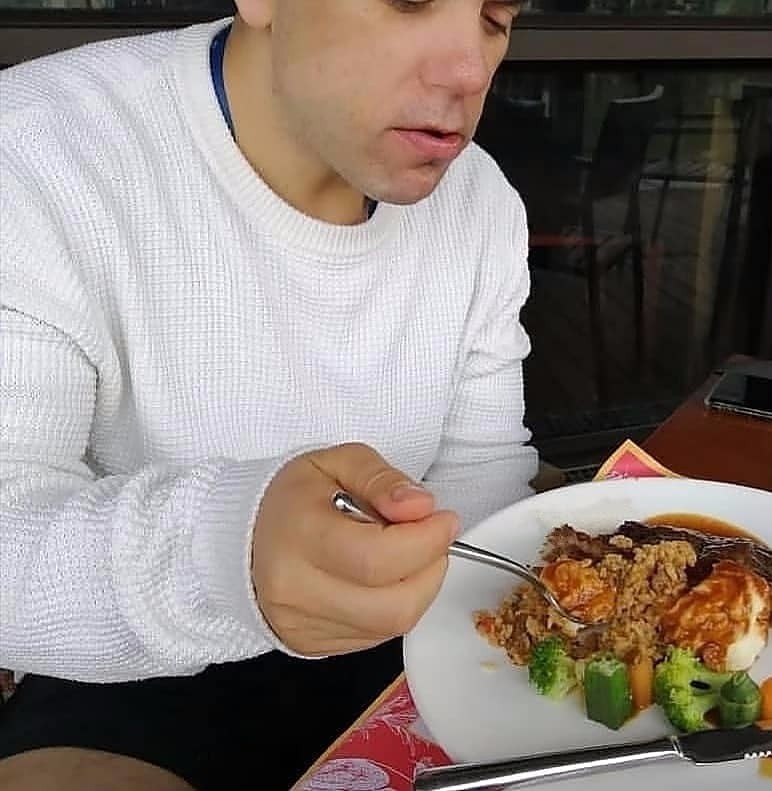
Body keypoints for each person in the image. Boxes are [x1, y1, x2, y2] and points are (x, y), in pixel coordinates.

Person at [0, 1, 533, 789]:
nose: (468, 70)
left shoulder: (479, 200)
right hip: (128, 668)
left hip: (420, 630)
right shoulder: (38, 149)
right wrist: (227, 554)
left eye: (493, 16)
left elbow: (481, 469)